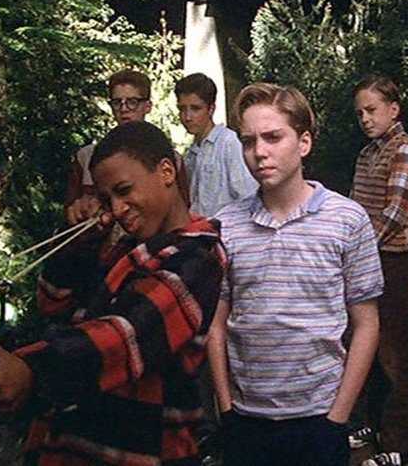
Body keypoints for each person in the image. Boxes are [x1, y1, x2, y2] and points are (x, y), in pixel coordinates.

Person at [0, 121, 226, 466]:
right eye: (107, 199)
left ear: (166, 172)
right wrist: (79, 243)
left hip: (144, 452)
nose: (117, 209)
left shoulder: (198, 257)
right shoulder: (125, 251)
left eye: (124, 190)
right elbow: (54, 303)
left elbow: (124, 336)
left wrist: (30, 372)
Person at [207, 82, 382, 466]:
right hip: (246, 419)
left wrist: (338, 417)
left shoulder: (347, 220)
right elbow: (216, 324)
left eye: (273, 137)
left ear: (304, 143)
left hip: (319, 417)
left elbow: (366, 324)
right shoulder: (225, 225)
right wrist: (226, 409)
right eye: (249, 141)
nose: (259, 152)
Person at [349, 75, 408, 466]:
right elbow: (354, 205)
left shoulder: (404, 148)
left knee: (393, 348)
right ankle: (373, 424)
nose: (365, 118)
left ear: (393, 109)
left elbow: (395, 212)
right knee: (366, 342)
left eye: (372, 110)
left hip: (391, 259)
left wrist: (361, 247)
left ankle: (399, 444)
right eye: (360, 112)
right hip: (366, 256)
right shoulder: (368, 153)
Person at [65, 69, 189, 226]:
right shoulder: (86, 156)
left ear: (148, 106)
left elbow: (183, 210)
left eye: (132, 102)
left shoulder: (172, 158)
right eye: (117, 102)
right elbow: (70, 210)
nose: (124, 109)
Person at [175, 73, 257, 217]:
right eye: (182, 109)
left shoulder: (228, 142)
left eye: (195, 109)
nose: (187, 117)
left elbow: (248, 195)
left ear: (211, 109)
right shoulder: (191, 154)